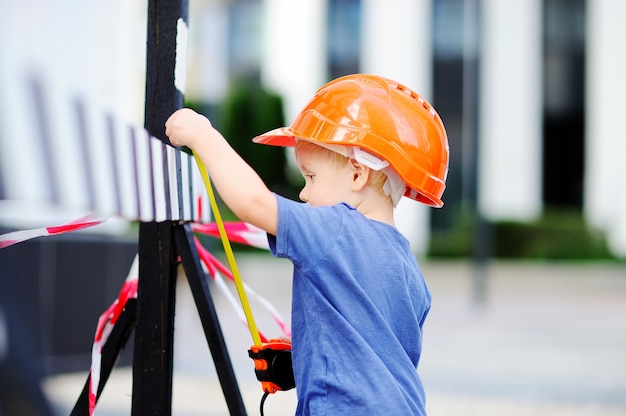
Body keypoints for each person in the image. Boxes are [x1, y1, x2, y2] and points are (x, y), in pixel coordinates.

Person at [165, 74, 449, 415]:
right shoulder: (409, 268)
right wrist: (304, 358)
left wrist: (202, 136)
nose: (303, 193)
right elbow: (376, 355)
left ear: (358, 174)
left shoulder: (334, 228)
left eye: (310, 176)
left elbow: (253, 203)